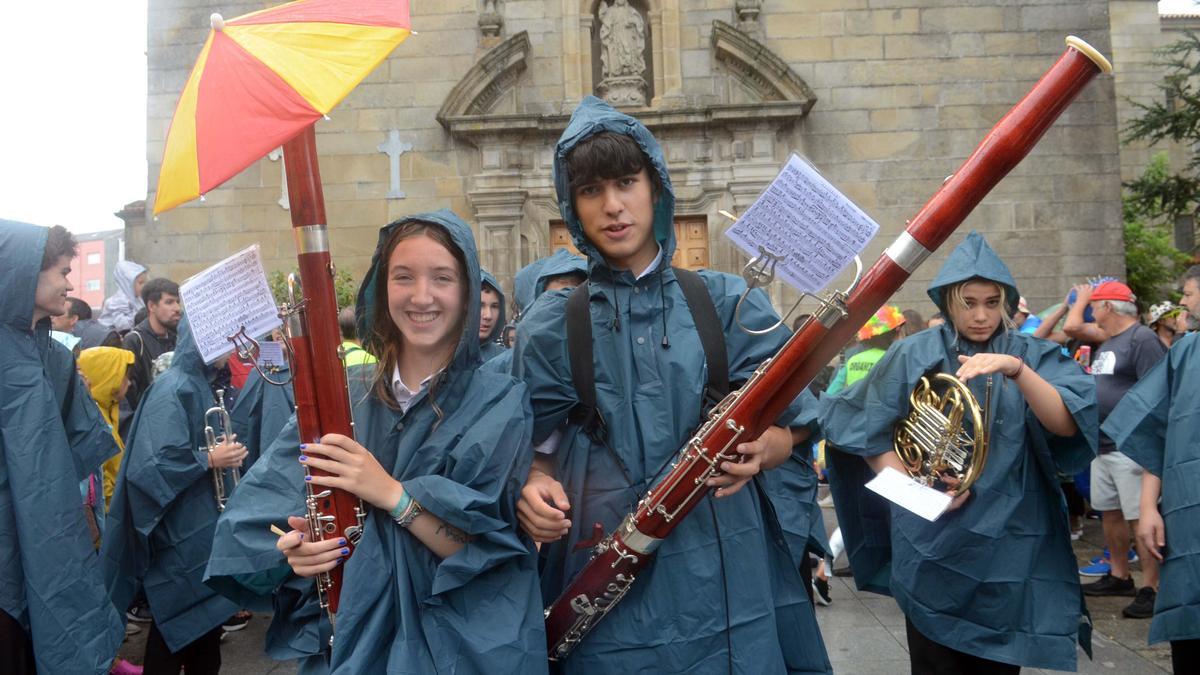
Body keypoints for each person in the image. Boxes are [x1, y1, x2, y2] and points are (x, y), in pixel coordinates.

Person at [512, 97, 830, 673]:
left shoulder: (728, 301)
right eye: (591, 192)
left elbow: (797, 421)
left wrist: (768, 448)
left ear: (655, 188)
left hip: (725, 569)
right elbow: (523, 447)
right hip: (601, 571)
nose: (612, 206)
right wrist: (531, 486)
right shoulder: (553, 323)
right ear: (572, 207)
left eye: (627, 182)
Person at [205, 211, 546, 673]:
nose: (421, 296)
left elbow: (484, 550)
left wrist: (392, 494)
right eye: (403, 277)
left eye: (442, 278)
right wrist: (298, 548)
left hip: (454, 648)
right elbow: (265, 516)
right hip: (350, 642)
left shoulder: (501, 399)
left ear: (466, 290)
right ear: (382, 289)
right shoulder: (341, 395)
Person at [822, 231, 1098, 673]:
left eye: (993, 302)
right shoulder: (914, 351)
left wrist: (1018, 370)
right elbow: (863, 433)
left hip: (1011, 538)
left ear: (1006, 299)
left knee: (998, 661)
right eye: (969, 302)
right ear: (948, 300)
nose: (982, 315)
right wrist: (921, 492)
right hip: (933, 539)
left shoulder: (1031, 352)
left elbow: (1067, 422)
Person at [0, 220, 125, 674]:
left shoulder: (53, 354)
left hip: (51, 529)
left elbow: (77, 445)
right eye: (60, 272)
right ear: (21, 272)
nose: (69, 284)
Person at [101, 316, 249, 675]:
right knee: (176, 626)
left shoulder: (198, 383)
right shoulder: (173, 387)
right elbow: (150, 468)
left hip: (199, 526)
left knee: (204, 630)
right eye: (221, 341)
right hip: (178, 531)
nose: (229, 350)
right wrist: (210, 458)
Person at [1102, 277, 1200, 672]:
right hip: (1188, 518)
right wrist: (1147, 507)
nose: (1181, 300)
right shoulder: (1187, 352)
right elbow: (1153, 427)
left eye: (1190, 292)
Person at [1077, 281, 1167, 618]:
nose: (1091, 311)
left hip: (1130, 446)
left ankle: (1153, 586)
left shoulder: (1142, 339)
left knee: (1138, 516)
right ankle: (1119, 574)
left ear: (1109, 307)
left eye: (1094, 304)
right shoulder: (1111, 341)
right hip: (1102, 444)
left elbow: (1157, 389)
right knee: (1109, 512)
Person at [77, 346, 137, 509]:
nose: (129, 382)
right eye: (124, 376)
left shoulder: (107, 410)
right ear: (108, 376)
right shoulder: (94, 418)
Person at [123, 278, 181, 411]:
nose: (177, 308)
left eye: (177, 302)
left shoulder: (178, 338)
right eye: (169, 302)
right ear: (151, 306)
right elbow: (130, 394)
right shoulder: (135, 341)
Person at [98, 260, 148, 333]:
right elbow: (123, 326)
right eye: (141, 283)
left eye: (145, 282)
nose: (144, 286)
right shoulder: (117, 301)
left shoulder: (139, 299)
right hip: (112, 339)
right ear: (127, 284)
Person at [479, 269, 507, 361]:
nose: (488, 316)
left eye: (494, 306)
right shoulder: (439, 358)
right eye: (479, 305)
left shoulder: (506, 361)